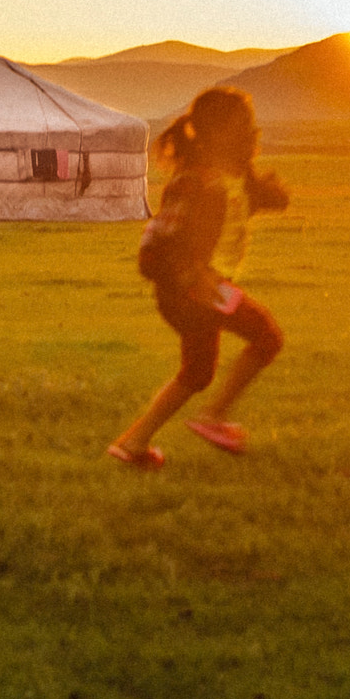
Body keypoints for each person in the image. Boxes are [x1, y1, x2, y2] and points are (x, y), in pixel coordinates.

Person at [108, 87, 288, 468]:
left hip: (208, 288)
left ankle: (132, 445)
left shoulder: (234, 174)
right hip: (191, 290)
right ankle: (213, 417)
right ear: (218, 132)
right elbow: (158, 241)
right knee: (266, 335)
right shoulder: (193, 181)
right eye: (243, 124)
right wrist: (192, 278)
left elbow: (242, 203)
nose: (252, 132)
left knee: (198, 372)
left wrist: (271, 196)